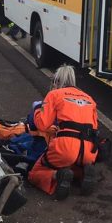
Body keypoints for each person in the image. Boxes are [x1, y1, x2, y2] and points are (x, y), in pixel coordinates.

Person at [26, 65, 100, 200]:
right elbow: (95, 127)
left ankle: (57, 176)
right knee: (73, 162)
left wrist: (37, 108)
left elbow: (42, 124)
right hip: (90, 151)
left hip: (66, 146)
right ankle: (83, 173)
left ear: (56, 82)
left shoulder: (54, 94)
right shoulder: (89, 99)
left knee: (35, 172)